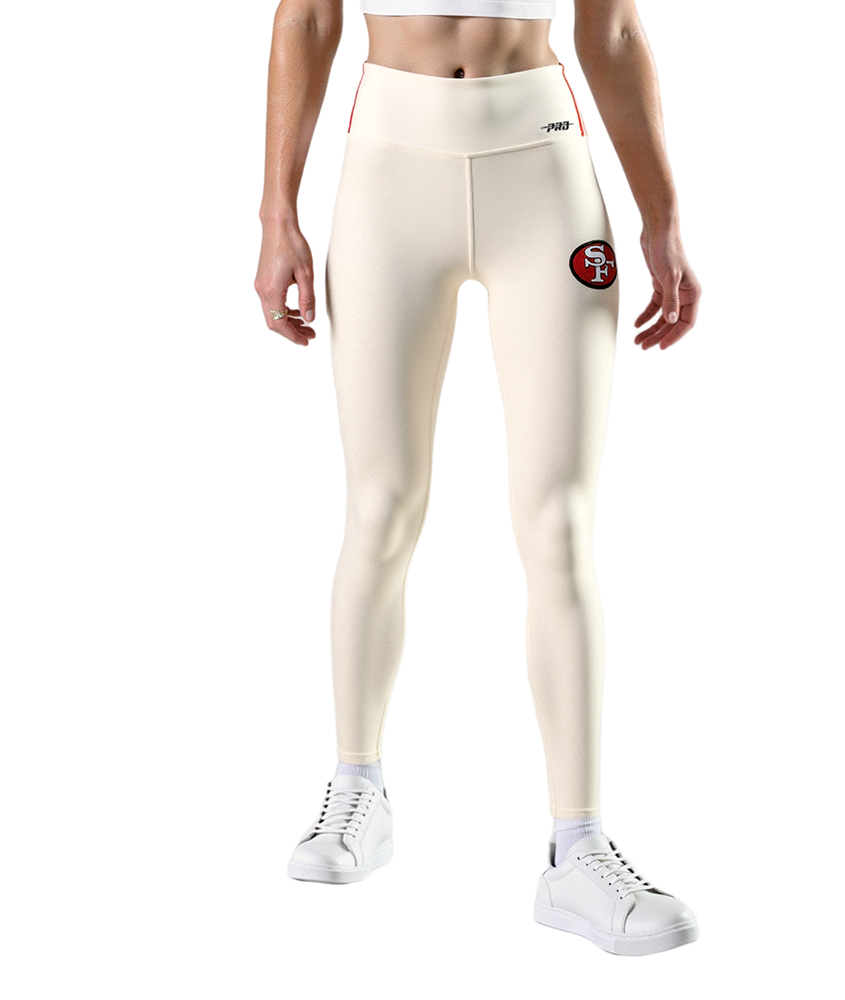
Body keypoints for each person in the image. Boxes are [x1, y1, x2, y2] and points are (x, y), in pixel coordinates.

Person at [254, 0, 702, 957]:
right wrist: (275, 211)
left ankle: (577, 849)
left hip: (541, 171)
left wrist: (662, 215)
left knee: (560, 520)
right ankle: (358, 788)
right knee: (380, 505)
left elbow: (614, 31)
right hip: (389, 168)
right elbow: (308, 18)